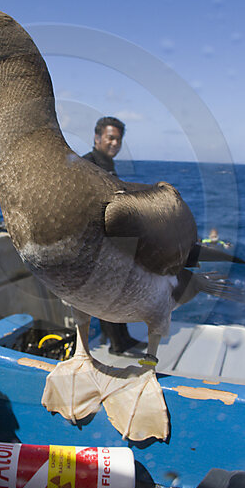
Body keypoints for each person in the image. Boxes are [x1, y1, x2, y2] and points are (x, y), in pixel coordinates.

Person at [80, 116, 141, 355]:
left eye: (119, 139)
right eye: (110, 138)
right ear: (97, 138)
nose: (115, 143)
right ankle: (118, 344)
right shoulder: (88, 163)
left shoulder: (107, 164)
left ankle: (121, 337)